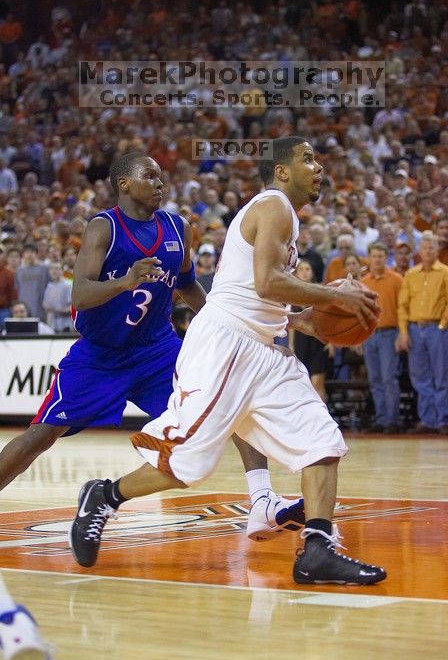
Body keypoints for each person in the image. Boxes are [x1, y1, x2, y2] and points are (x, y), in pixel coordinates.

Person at [69, 137, 386, 586]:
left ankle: (317, 549)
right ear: (281, 171)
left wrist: (302, 321)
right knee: (187, 464)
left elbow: (258, 294)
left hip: (262, 348)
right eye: (307, 159)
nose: (318, 167)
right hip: (225, 346)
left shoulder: (284, 216)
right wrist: (335, 294)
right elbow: (267, 282)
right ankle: (104, 495)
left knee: (321, 441)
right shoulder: (273, 205)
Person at [0, 153, 302, 540]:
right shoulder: (103, 228)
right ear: (124, 183)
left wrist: (233, 327)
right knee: (41, 435)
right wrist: (124, 282)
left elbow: (188, 285)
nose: (160, 182)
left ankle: (262, 500)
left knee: (230, 402)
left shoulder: (178, 229)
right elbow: (81, 293)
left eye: (162, 176)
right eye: (150, 176)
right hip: (100, 354)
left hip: (157, 350)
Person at [397, 232, 448, 434]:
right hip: (415, 329)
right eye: (424, 248)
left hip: (437, 329)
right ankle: (427, 419)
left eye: (431, 248)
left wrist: (443, 324)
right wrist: (404, 332)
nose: (427, 251)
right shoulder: (411, 274)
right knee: (420, 377)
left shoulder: (447, 273)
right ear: (420, 251)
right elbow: (403, 305)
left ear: (437, 250)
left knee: (441, 375)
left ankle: (443, 420)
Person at [361, 243, 403, 433]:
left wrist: (402, 333)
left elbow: (403, 309)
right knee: (375, 379)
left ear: (386, 258)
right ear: (369, 258)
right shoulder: (364, 281)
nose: (377, 259)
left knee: (388, 378)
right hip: (369, 335)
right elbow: (359, 311)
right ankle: (381, 418)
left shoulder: (396, 279)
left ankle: (392, 420)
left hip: (389, 333)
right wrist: (358, 337)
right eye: (374, 256)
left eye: (381, 256)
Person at [289, 258, 329, 401]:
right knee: (303, 386)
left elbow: (328, 319)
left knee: (318, 384)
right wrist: (291, 345)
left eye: (308, 269)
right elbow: (292, 324)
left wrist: (331, 342)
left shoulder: (320, 291)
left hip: (318, 341)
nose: (305, 272)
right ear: (296, 273)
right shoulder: (291, 293)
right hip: (300, 341)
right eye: (301, 269)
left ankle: (324, 419)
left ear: (312, 272)